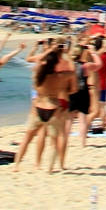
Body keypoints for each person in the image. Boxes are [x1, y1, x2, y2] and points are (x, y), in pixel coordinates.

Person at [28, 43, 77, 172]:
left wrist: (48, 49)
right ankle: (60, 163)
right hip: (62, 100)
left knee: (42, 133)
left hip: (44, 100)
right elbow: (73, 80)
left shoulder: (45, 63)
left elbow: (34, 61)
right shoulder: (66, 64)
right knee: (60, 135)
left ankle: (38, 163)